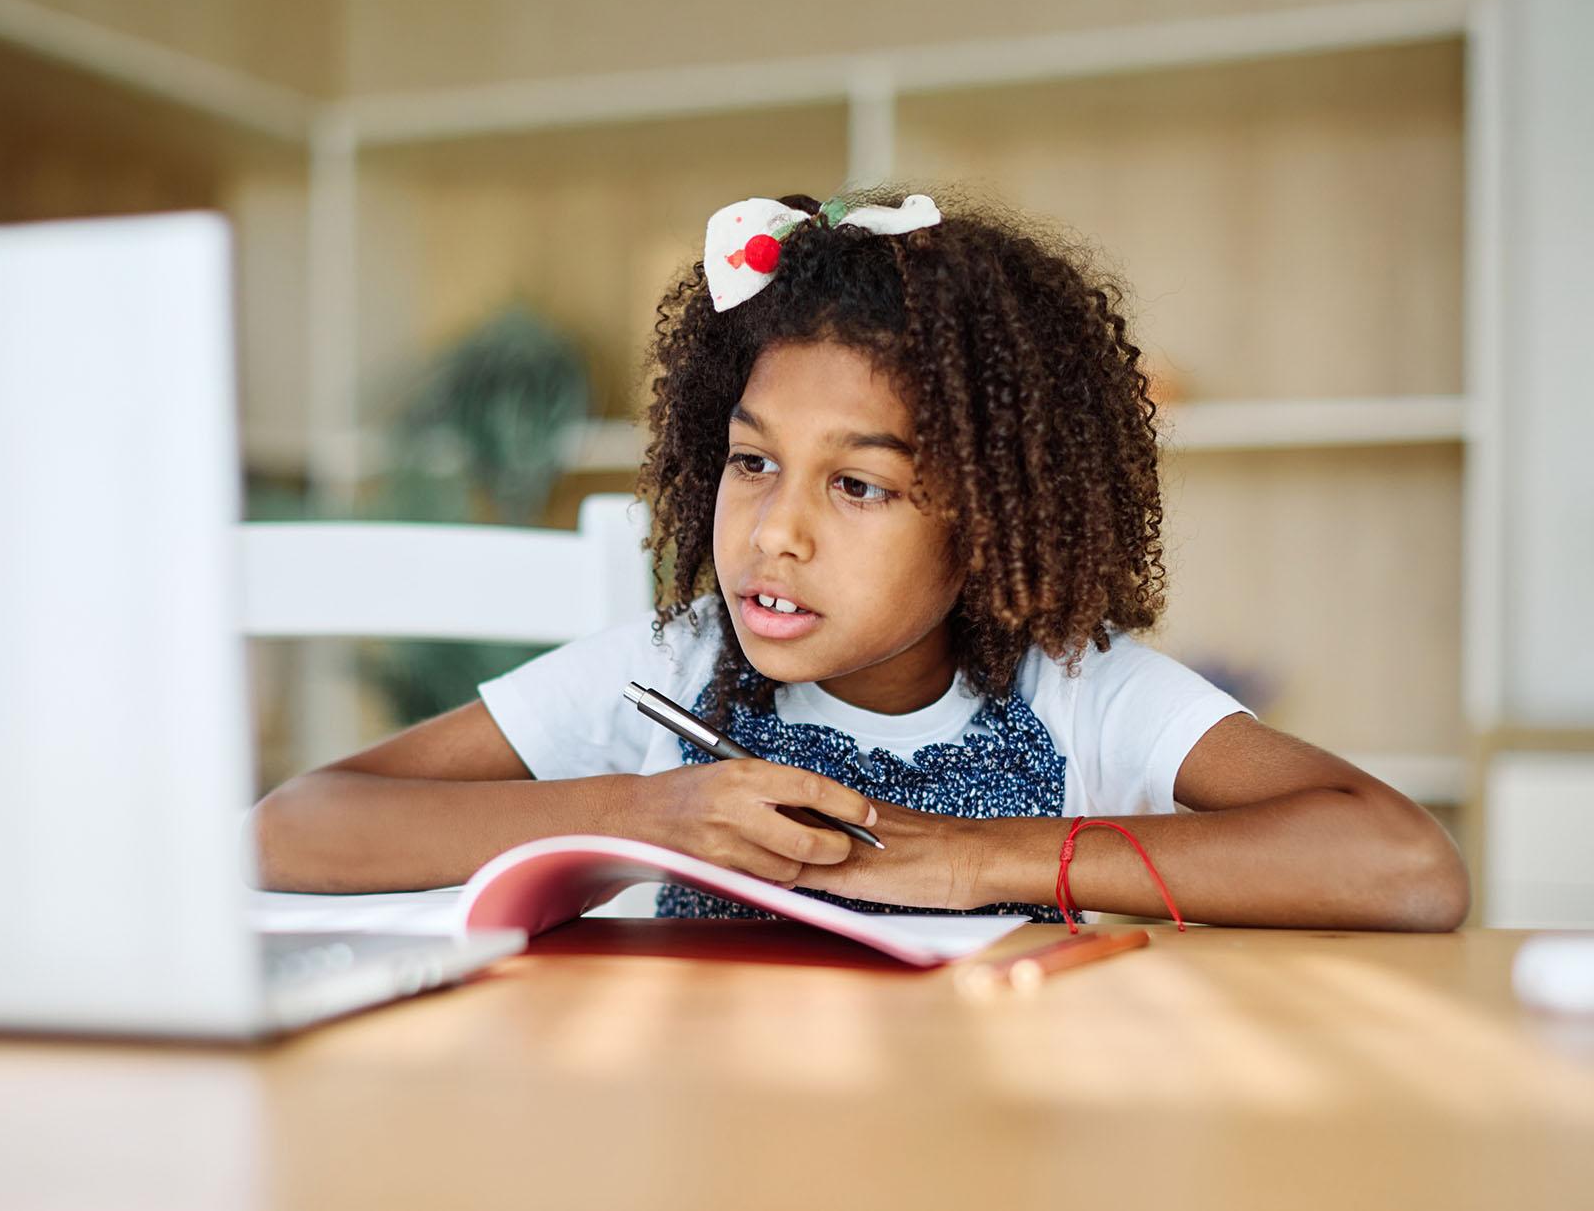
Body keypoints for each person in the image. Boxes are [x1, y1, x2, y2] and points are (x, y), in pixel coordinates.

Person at [249, 187, 1470, 931]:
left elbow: (1404, 865)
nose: (776, 530)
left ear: (987, 519)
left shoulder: (1073, 688)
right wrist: (651, 814)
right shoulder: (674, 668)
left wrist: (973, 859)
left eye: (859, 485)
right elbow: (294, 827)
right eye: (750, 463)